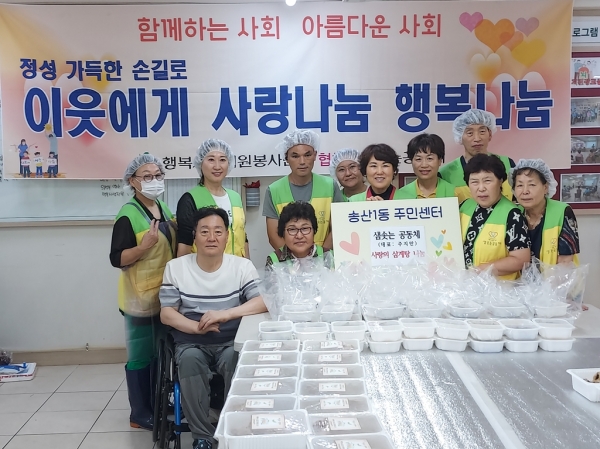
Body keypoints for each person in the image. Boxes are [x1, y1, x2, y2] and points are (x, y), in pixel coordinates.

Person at [160, 207, 267, 449]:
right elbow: (166, 313)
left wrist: (226, 314)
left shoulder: (242, 266)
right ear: (194, 236)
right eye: (205, 231)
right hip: (191, 341)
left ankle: (232, 430)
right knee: (190, 361)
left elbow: (262, 302)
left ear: (227, 236)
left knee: (236, 360)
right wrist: (197, 328)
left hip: (231, 341)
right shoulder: (176, 268)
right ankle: (202, 437)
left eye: (218, 231)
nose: (211, 237)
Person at [109, 153, 177, 430]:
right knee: (140, 356)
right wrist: (143, 246)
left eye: (158, 175)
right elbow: (117, 258)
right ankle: (139, 413)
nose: (154, 181)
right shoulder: (127, 215)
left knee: (160, 352)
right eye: (147, 176)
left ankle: (157, 402)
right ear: (132, 181)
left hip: (163, 295)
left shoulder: (163, 207)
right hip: (138, 298)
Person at [263, 129, 344, 251]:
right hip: (289, 260)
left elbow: (339, 226)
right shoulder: (274, 190)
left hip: (325, 258)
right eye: (295, 156)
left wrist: (320, 256)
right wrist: (292, 259)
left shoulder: (330, 186)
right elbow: (274, 236)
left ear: (315, 155)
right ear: (286, 158)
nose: (302, 162)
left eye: (307, 155)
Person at [459, 154, 530, 280]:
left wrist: (482, 270)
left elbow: (521, 260)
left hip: (499, 289)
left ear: (500, 181)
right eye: (474, 182)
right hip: (464, 285)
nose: (481, 188)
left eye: (487, 181)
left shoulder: (512, 215)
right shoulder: (464, 206)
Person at [176, 139, 248, 258]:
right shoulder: (190, 199)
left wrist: (248, 265)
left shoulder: (235, 197)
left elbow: (243, 237)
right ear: (200, 163)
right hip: (205, 267)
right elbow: (184, 247)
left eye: (222, 160)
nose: (217, 166)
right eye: (211, 160)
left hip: (237, 266)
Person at [510, 159, 580, 265]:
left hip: (556, 275)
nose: (525, 191)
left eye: (532, 185)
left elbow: (565, 262)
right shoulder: (514, 213)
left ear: (545, 187)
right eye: (520, 185)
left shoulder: (562, 211)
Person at [440, 109, 515, 203]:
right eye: (470, 133)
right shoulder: (445, 174)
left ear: (490, 134)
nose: (477, 138)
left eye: (482, 131)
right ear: (460, 137)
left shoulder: (508, 164)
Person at [398, 133, 459, 199]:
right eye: (418, 159)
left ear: (439, 160)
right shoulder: (400, 196)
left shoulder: (455, 193)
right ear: (411, 161)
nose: (424, 165)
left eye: (429, 158)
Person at [266, 201, 325, 266]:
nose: (299, 236)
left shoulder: (328, 256)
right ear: (283, 233)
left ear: (314, 230)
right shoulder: (274, 260)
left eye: (305, 228)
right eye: (292, 229)